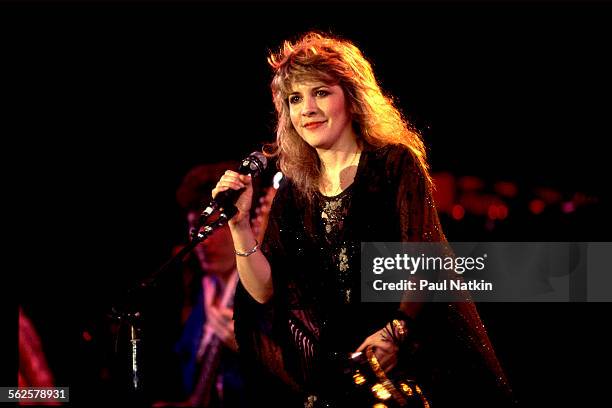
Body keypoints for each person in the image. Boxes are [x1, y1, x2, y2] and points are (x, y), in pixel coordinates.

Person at [213, 32, 513, 407]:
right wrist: (239, 225)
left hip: (406, 369)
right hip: (339, 377)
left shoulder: (393, 164)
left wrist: (396, 331)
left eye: (320, 92)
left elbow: (424, 257)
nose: (307, 108)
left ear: (352, 98)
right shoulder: (293, 192)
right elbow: (264, 291)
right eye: (295, 99)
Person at [153, 162, 276, 408]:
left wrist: (252, 348)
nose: (202, 242)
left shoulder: (265, 288)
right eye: (197, 230)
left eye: (212, 229)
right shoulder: (201, 292)